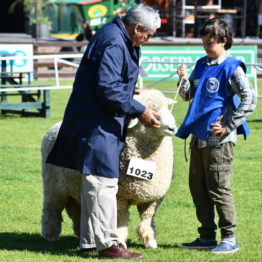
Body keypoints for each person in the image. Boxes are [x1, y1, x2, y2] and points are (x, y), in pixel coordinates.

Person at [46, 4, 161, 260]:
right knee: (102, 183)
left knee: (96, 183)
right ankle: (109, 244)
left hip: (98, 119)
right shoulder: (114, 42)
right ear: (137, 27)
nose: (148, 40)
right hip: (97, 122)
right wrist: (139, 109)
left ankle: (89, 241)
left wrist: (131, 92)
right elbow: (107, 88)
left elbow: (109, 80)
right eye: (149, 34)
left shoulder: (116, 35)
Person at [176, 18, 256, 254]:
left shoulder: (233, 67)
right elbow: (187, 95)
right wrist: (182, 79)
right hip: (197, 137)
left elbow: (250, 99)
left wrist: (229, 125)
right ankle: (207, 236)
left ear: (224, 41)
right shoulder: (201, 63)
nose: (205, 47)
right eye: (203, 42)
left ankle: (229, 238)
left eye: (210, 42)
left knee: (218, 189)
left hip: (218, 139)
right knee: (198, 188)